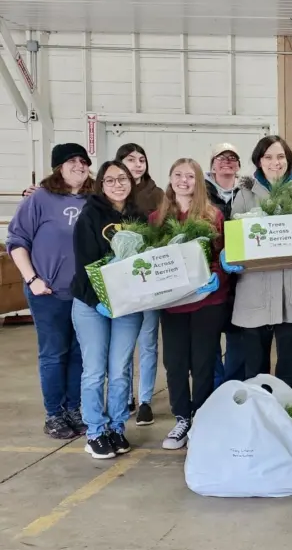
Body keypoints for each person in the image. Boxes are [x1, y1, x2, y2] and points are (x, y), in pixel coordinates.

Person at [6, 143, 94, 439]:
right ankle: (54, 414)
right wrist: (32, 279)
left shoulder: (93, 199)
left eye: (83, 161)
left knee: (79, 354)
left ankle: (74, 408)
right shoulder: (40, 199)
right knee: (54, 353)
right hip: (48, 292)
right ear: (58, 166)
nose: (79, 166)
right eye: (72, 161)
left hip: (83, 294)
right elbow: (17, 241)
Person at [223, 135, 292, 392]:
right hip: (254, 289)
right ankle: (257, 419)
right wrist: (230, 255)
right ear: (259, 160)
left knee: (291, 364)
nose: (275, 162)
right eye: (268, 157)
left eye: (280, 156)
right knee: (255, 367)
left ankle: (288, 417)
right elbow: (235, 236)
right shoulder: (245, 194)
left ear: (289, 160)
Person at [149, 159, 228, 450]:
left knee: (204, 362)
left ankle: (202, 417)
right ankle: (182, 418)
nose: (184, 181)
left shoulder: (212, 216)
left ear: (199, 181)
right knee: (175, 362)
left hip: (207, 301)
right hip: (173, 303)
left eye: (190, 176)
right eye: (178, 175)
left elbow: (222, 254)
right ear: (170, 179)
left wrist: (217, 276)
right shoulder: (157, 218)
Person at [70, 160, 145, 459]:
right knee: (94, 370)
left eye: (123, 178)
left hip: (128, 305)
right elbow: (84, 263)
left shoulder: (139, 216)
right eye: (111, 180)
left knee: (120, 370)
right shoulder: (89, 215)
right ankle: (95, 432)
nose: (118, 184)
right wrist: (98, 300)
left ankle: (116, 427)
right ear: (101, 184)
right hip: (92, 304)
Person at [115, 143, 162, 425]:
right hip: (120, 281)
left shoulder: (157, 195)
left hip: (150, 277)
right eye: (130, 159)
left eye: (141, 159)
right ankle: (126, 395)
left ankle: (145, 399)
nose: (137, 164)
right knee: (123, 343)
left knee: (148, 340)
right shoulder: (110, 194)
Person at [205, 142, 245, 386]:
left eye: (233, 157)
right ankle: (214, 388)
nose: (227, 161)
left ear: (239, 165)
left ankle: (231, 388)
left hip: (241, 277)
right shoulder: (201, 193)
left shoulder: (247, 192)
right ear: (212, 164)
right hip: (212, 275)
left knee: (238, 336)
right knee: (208, 338)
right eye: (221, 157)